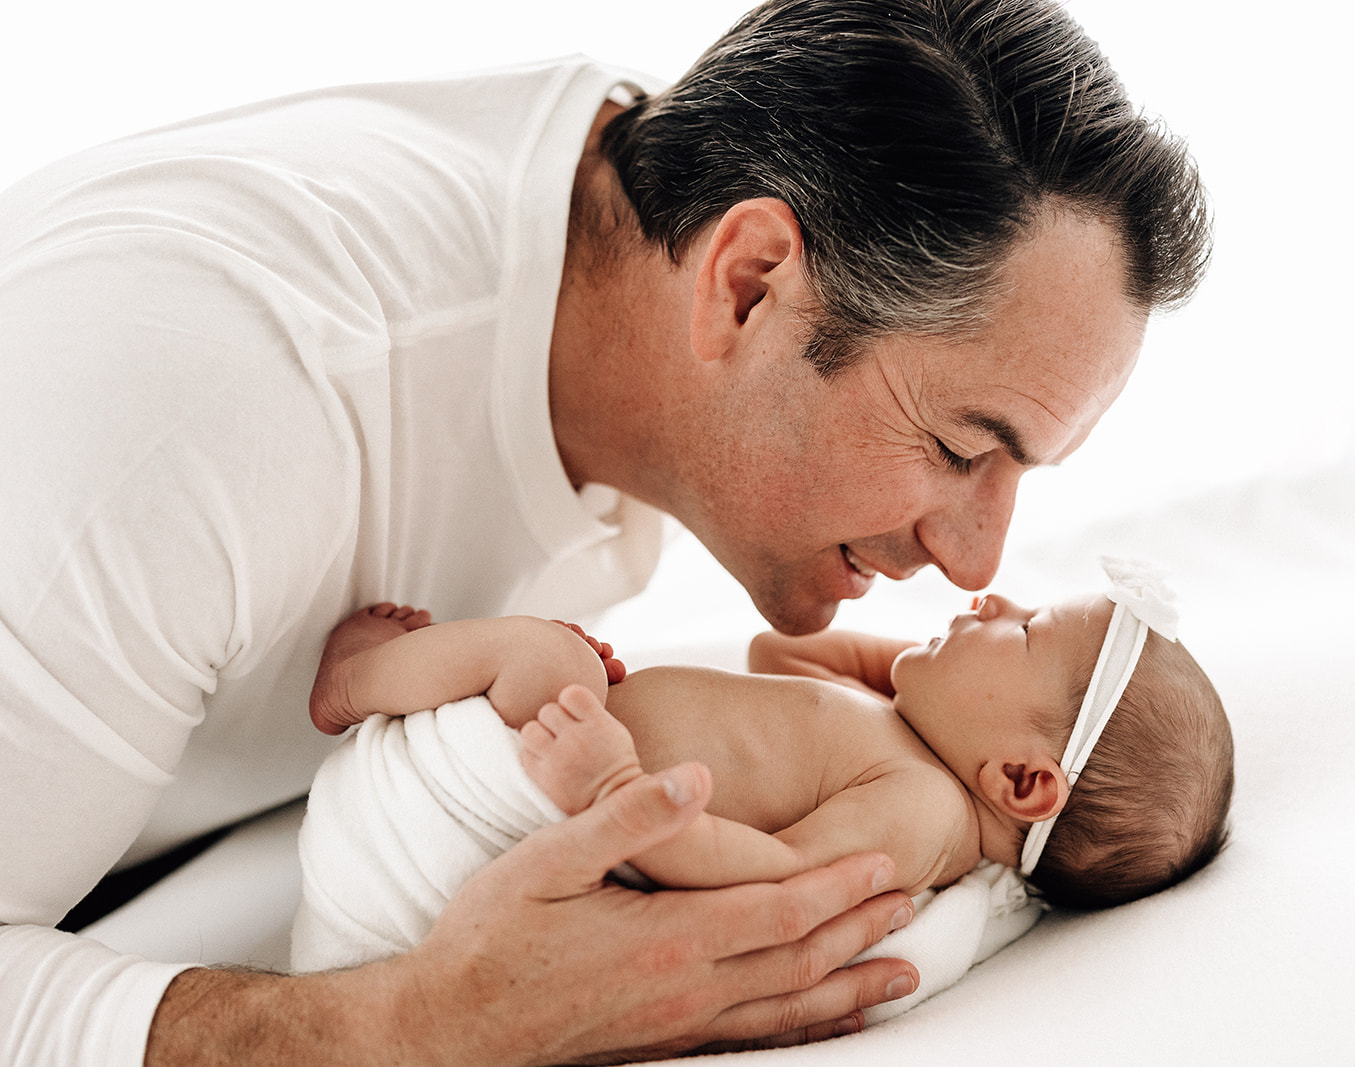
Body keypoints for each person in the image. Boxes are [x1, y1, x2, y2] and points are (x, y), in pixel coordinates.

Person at [0, 0, 1212, 1062]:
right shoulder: (200, 409)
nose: (977, 561)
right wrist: (401, 1030)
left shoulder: (639, 278)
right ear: (746, 283)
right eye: (958, 448)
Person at [293, 559, 1233, 975]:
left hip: (531, 795)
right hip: (531, 768)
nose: (992, 595)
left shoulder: (920, 815)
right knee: (555, 663)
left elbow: (767, 880)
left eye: (1022, 628)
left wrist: (615, 792)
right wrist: (922, 673)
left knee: (553, 658)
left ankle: (354, 679)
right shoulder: (910, 743)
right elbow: (779, 656)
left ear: (1022, 782)